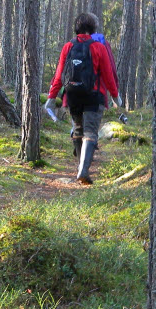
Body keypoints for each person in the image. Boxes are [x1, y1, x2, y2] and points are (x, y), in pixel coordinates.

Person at [45, 12, 121, 184]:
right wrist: (115, 96)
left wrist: (52, 96)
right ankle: (83, 171)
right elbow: (108, 76)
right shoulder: (99, 47)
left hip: (72, 95)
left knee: (78, 130)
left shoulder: (67, 47)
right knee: (90, 132)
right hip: (94, 96)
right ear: (93, 28)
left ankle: (80, 167)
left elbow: (59, 75)